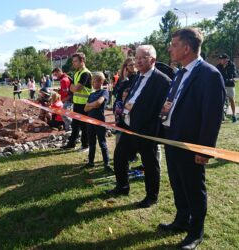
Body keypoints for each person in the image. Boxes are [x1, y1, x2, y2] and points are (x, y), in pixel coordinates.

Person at [158, 28, 225, 250]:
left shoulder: (210, 74)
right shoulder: (180, 72)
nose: (170, 48)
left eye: (174, 44)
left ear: (186, 48)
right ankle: (181, 220)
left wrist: (204, 150)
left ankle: (195, 233)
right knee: (178, 183)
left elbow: (211, 117)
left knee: (194, 188)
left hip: (191, 143)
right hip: (172, 138)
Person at [106, 45, 171, 210]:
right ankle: (122, 187)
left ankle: (151, 197)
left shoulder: (162, 80)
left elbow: (163, 109)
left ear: (153, 60)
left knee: (150, 164)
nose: (138, 61)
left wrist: (153, 129)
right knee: (119, 156)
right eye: (136, 57)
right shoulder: (137, 77)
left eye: (143, 57)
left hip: (146, 131)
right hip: (129, 127)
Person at [61, 52, 92, 151]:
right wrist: (73, 87)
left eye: (75, 61)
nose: (73, 63)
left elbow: (76, 88)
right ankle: (71, 144)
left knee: (84, 126)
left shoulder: (86, 73)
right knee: (75, 125)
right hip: (77, 103)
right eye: (73, 61)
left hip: (85, 104)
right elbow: (72, 88)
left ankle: (85, 145)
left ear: (82, 61)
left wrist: (73, 87)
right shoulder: (77, 73)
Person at [84, 72, 112, 171]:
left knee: (102, 143)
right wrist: (93, 104)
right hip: (90, 122)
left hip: (100, 121)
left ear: (101, 81)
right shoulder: (91, 94)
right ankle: (91, 162)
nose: (93, 83)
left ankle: (106, 163)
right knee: (91, 143)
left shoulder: (104, 92)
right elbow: (85, 109)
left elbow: (98, 103)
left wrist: (91, 105)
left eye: (95, 81)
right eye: (92, 81)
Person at [216, 53, 237, 122]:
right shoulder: (218, 66)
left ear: (226, 59)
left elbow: (234, 74)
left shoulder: (231, 65)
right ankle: (222, 116)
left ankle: (234, 115)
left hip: (230, 85)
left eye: (222, 59)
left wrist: (231, 78)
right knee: (221, 100)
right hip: (222, 85)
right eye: (220, 59)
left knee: (231, 99)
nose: (221, 60)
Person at [52, 67, 73, 132]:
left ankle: (71, 129)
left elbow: (67, 94)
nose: (56, 76)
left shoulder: (63, 80)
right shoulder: (65, 78)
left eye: (56, 75)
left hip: (68, 100)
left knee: (64, 115)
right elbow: (65, 91)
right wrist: (59, 91)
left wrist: (62, 101)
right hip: (68, 99)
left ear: (59, 72)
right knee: (66, 115)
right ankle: (69, 129)